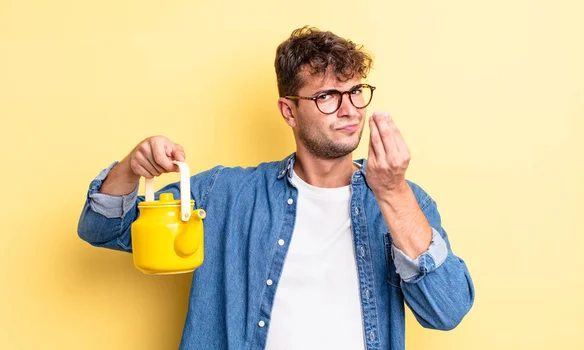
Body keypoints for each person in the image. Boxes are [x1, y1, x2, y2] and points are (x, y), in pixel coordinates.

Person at [77, 26, 474, 350]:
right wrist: (131, 168)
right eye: (327, 96)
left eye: (355, 91)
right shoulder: (224, 195)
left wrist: (392, 193)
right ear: (289, 111)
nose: (350, 109)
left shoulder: (407, 202)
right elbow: (102, 228)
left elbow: (447, 311)